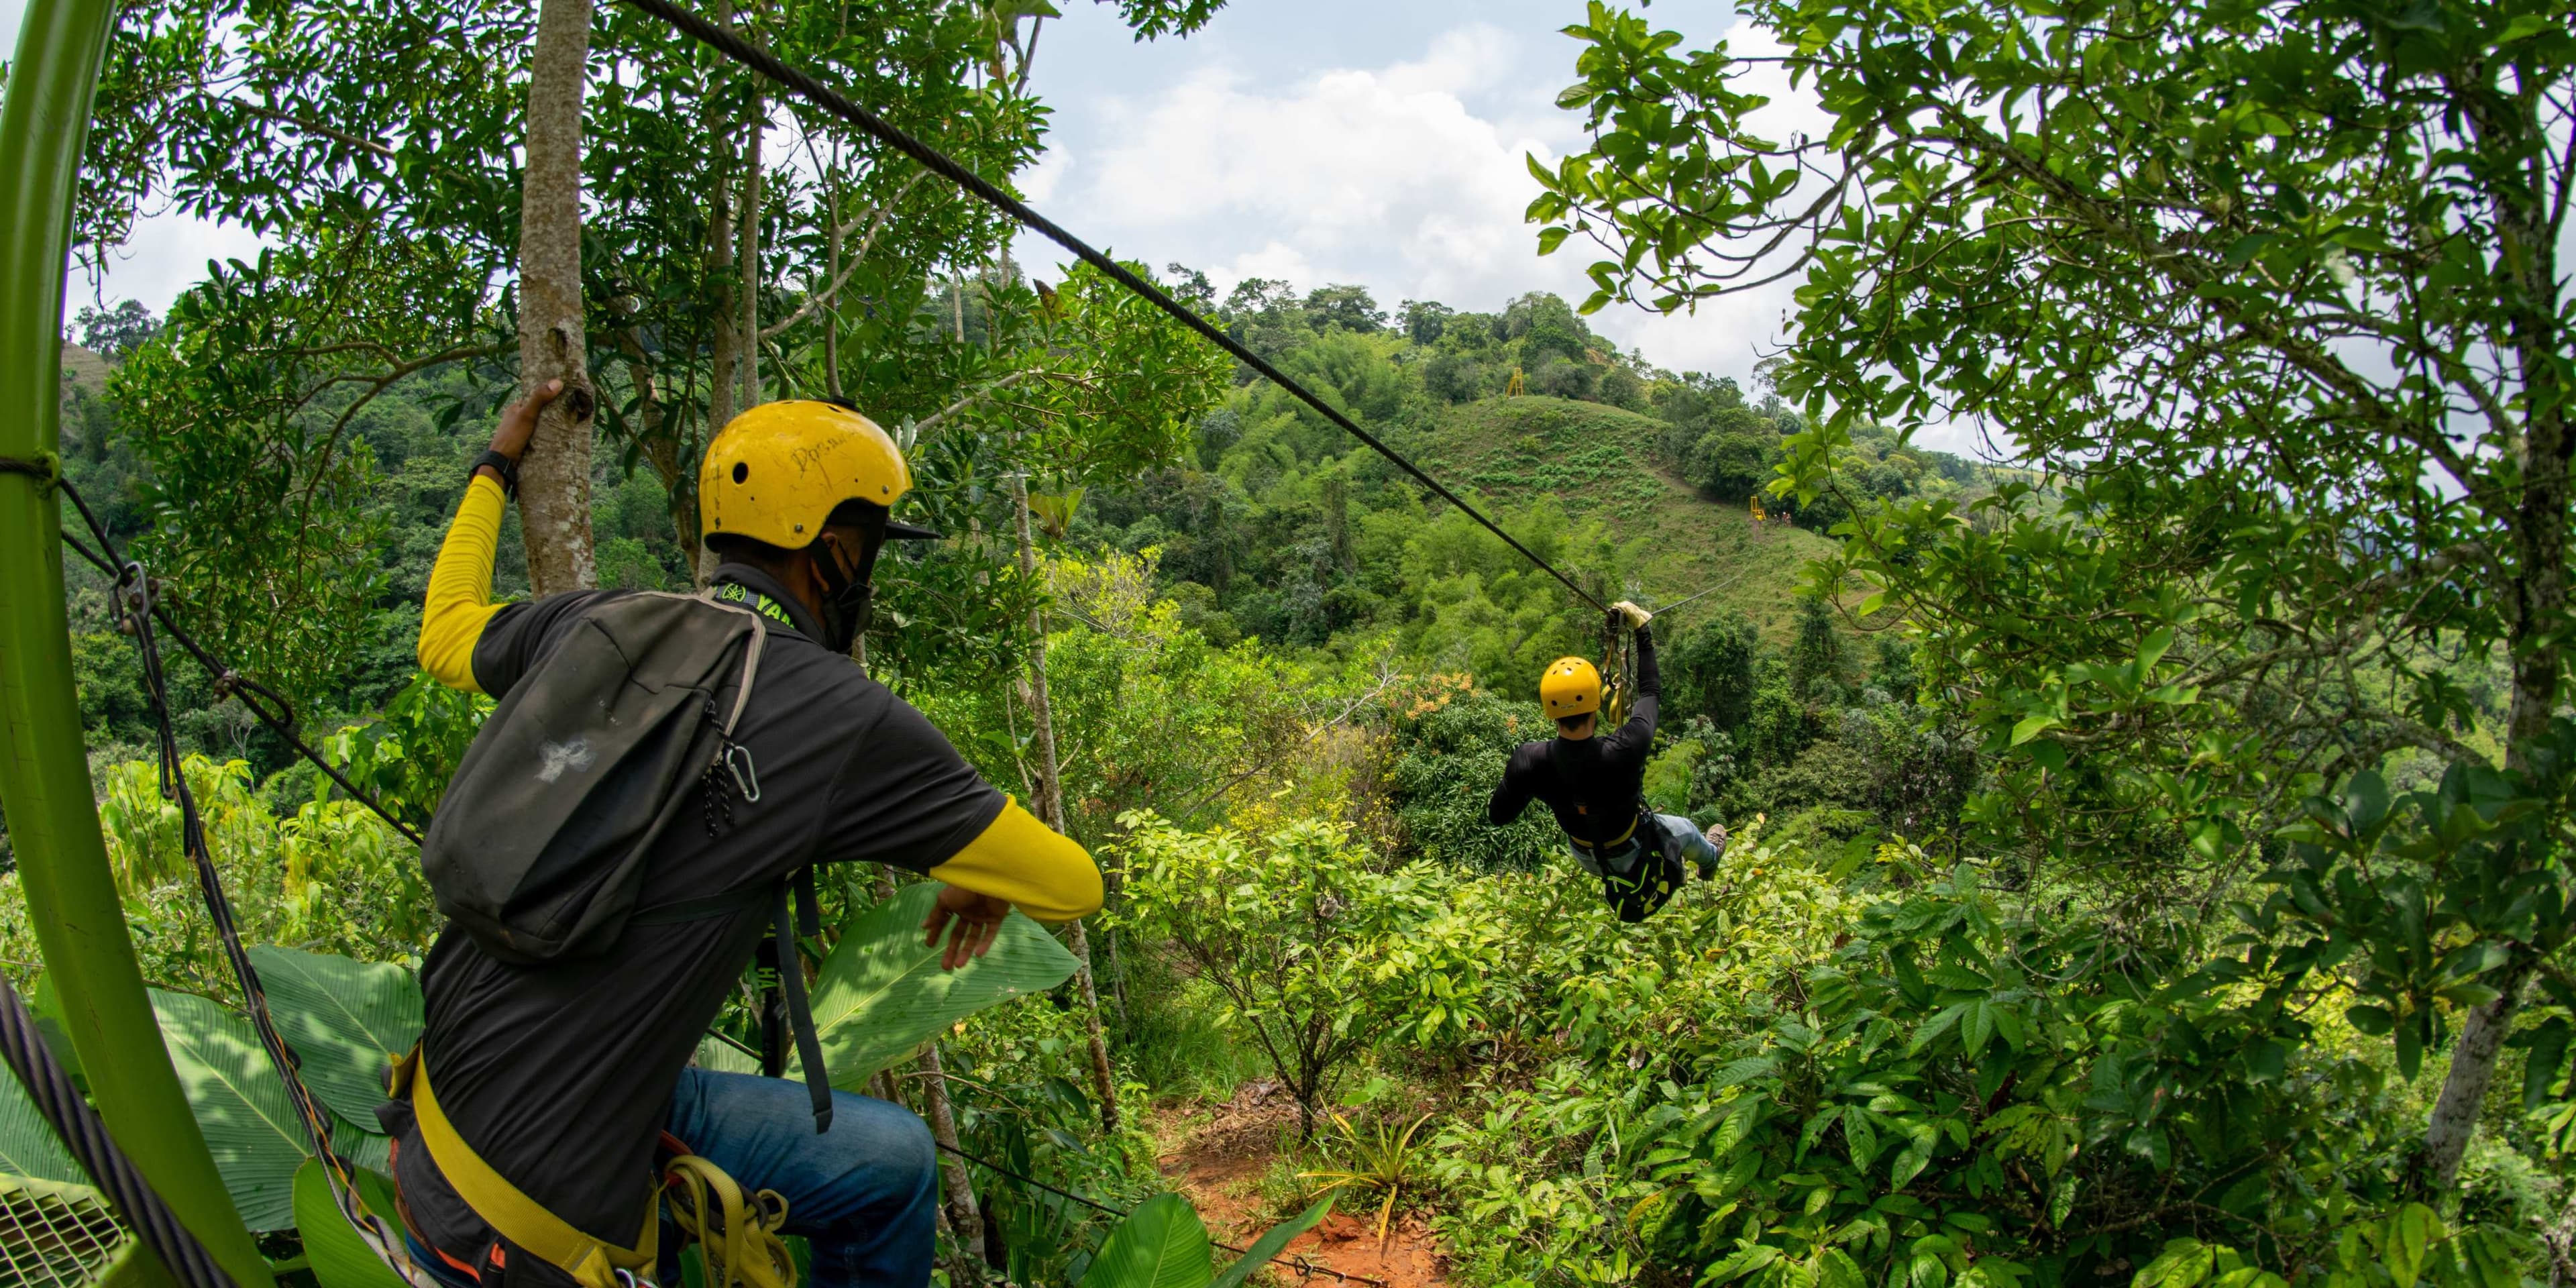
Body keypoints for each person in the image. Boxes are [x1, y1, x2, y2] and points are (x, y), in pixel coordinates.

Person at [383, 382, 1101, 1288]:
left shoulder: (595, 622)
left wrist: (497, 463)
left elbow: (444, 631)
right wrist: (980, 872)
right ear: (832, 553)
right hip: (528, 1236)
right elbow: (1073, 884)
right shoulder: (843, 716)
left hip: (440, 1130)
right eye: (871, 547)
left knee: (891, 1160)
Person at [1487, 600, 1723, 922]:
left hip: (1585, 855)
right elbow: (1650, 692)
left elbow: (1499, 815)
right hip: (1631, 847)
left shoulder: (1529, 760)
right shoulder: (1626, 747)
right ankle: (1710, 861)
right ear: (1598, 703)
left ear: (1549, 709)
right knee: (1688, 831)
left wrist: (1528, 784)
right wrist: (1643, 631)